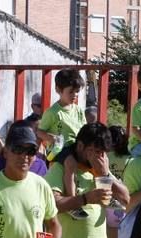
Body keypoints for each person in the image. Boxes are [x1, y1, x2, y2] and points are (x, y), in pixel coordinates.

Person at [37, 70, 87, 219]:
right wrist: (50, 137)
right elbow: (40, 131)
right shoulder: (52, 112)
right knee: (70, 164)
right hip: (60, 149)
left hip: (77, 146)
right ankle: (73, 203)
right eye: (71, 92)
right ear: (58, 90)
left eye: (77, 92)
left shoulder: (78, 110)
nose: (74, 96)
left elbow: (83, 129)